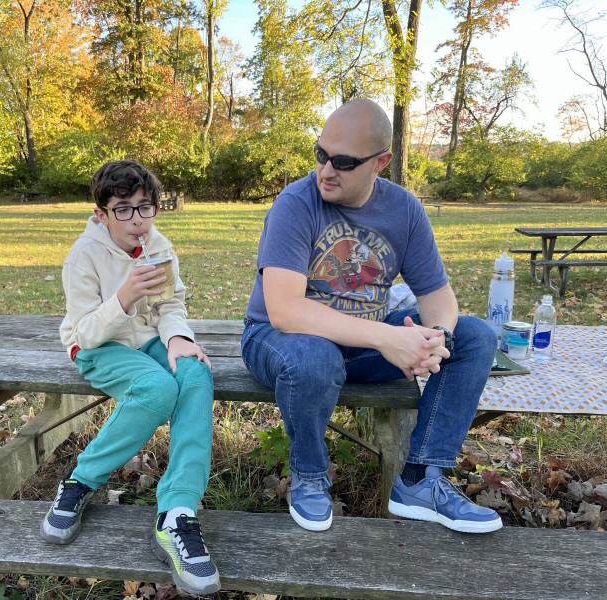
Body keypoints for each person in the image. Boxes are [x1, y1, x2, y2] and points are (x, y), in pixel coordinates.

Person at [241, 99, 502, 534]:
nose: (326, 170)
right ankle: (308, 475)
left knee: (474, 336)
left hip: (363, 349)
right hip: (277, 341)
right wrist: (385, 337)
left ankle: (420, 480)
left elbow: (438, 296)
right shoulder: (296, 203)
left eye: (343, 162)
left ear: (381, 161)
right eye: (320, 154)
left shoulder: (403, 209)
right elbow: (284, 310)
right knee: (314, 357)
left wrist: (437, 336)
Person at [42, 160, 221, 596]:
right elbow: (84, 332)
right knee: (157, 389)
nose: (137, 219)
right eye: (123, 209)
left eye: (146, 207)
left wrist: (178, 338)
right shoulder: (84, 256)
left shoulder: (158, 245)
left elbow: (169, 305)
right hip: (100, 347)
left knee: (194, 373)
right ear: (102, 213)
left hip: (150, 341)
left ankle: (177, 512)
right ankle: (81, 481)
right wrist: (122, 298)